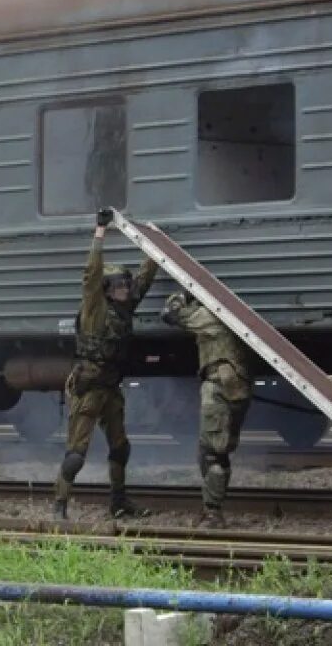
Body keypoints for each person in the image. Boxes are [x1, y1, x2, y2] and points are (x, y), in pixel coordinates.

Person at [54, 207, 159, 520]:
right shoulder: (95, 309)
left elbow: (146, 276)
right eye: (118, 287)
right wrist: (100, 233)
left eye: (125, 286)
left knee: (120, 448)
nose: (125, 290)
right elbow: (93, 272)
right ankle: (60, 505)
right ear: (107, 291)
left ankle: (119, 502)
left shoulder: (124, 307)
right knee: (76, 455)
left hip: (111, 387)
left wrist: (153, 242)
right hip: (88, 388)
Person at [162, 291, 253, 528]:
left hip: (218, 389)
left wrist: (179, 296)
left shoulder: (210, 317)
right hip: (237, 389)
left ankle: (212, 514)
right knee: (221, 454)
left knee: (210, 453)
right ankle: (213, 508)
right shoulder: (234, 317)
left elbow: (170, 315)